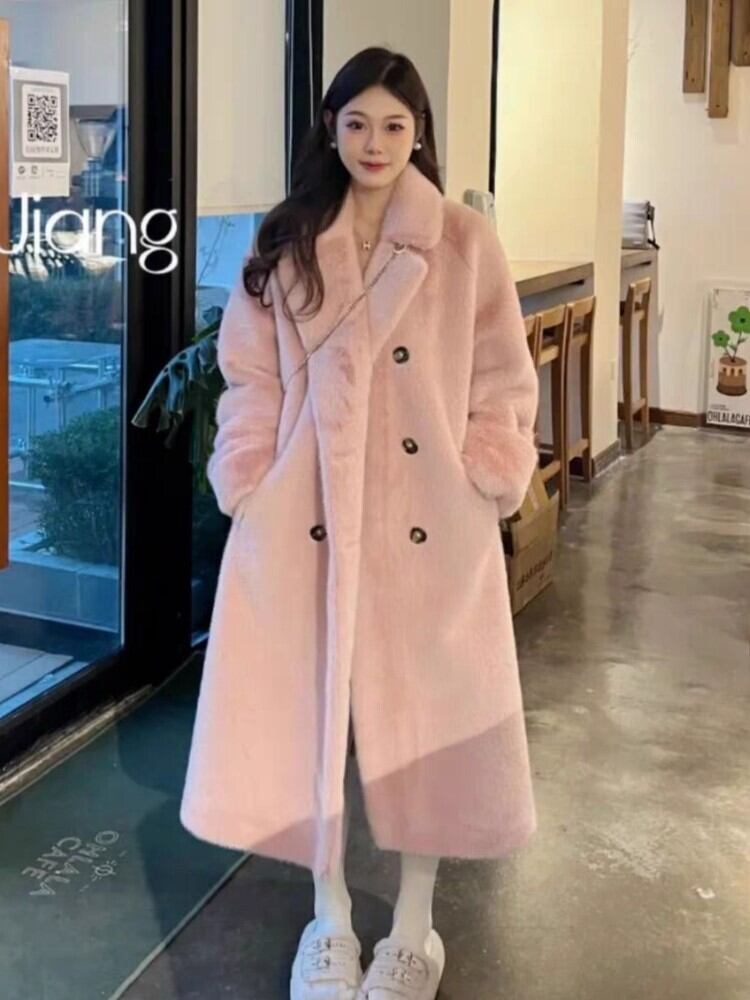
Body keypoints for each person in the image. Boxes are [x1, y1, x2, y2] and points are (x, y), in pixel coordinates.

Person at [180, 46, 540, 1000]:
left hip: (430, 520)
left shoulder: (464, 242)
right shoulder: (289, 240)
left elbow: (503, 375)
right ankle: (329, 916)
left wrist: (487, 470)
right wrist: (246, 475)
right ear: (330, 130)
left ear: (418, 133)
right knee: (309, 712)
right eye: (356, 123)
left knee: (432, 716)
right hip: (304, 514)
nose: (374, 143)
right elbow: (250, 376)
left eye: (393, 125)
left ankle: (416, 929)